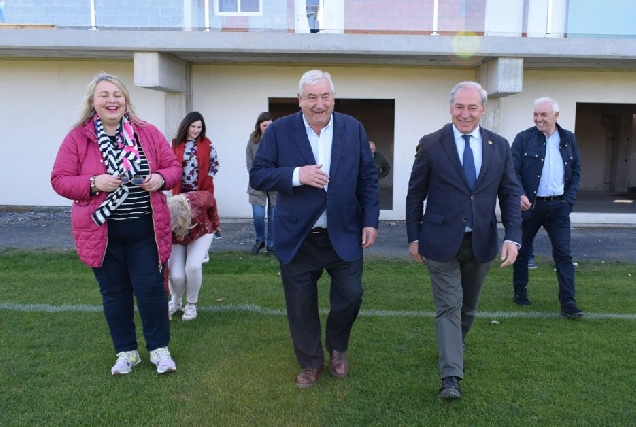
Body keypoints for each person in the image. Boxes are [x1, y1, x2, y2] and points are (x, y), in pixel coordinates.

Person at [250, 69, 380, 389]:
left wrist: (370, 221)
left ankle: (336, 346)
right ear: (300, 100)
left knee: (351, 295)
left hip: (344, 232)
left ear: (333, 98)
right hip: (298, 235)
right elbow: (259, 176)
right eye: (311, 97)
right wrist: (297, 175)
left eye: (325, 96)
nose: (318, 104)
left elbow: (367, 178)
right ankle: (310, 361)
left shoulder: (353, 128)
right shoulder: (280, 130)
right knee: (300, 304)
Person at [51, 72, 182, 375]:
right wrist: (94, 182)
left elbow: (173, 167)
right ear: (92, 102)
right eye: (104, 95)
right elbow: (60, 180)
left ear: (126, 100)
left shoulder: (146, 133)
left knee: (150, 290)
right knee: (115, 294)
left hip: (144, 231)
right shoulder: (78, 137)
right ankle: (127, 352)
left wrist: (160, 178)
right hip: (101, 234)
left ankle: (159, 349)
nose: (112, 100)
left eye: (117, 94)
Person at [406, 81, 521, 400]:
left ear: (483, 109)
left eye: (472, 107)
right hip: (440, 241)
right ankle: (451, 377)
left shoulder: (499, 145)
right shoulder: (431, 144)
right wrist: (413, 236)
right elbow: (416, 192)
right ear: (450, 107)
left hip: (481, 242)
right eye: (460, 106)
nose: (465, 113)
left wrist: (513, 235)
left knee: (467, 308)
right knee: (449, 306)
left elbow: (510, 192)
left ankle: (454, 345)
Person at [511, 97, 583, 319]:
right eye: (536, 114)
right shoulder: (524, 138)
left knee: (563, 254)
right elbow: (513, 171)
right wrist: (521, 194)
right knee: (522, 251)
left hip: (559, 206)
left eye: (543, 114)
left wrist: (568, 201)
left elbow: (577, 170)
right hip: (530, 206)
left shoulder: (568, 139)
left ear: (556, 116)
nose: (538, 119)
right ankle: (520, 291)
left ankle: (568, 303)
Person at [167, 191, 220, 321]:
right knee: (176, 275)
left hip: (201, 234)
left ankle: (191, 305)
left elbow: (211, 201)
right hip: (175, 240)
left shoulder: (199, 200)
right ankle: (175, 301)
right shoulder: (162, 214)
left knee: (193, 267)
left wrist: (215, 223)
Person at [246, 112, 276, 254]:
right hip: (257, 181)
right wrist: (255, 176)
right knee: (258, 214)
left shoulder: (278, 138)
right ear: (259, 126)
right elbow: (249, 161)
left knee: (274, 216)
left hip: (274, 181)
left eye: (270, 125)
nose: (267, 128)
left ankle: (271, 244)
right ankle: (260, 240)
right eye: (264, 126)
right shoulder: (253, 140)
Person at [172, 111, 219, 195]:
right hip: (180, 191)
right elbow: (169, 164)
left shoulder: (207, 143)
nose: (196, 130)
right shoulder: (175, 143)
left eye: (199, 127)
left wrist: (208, 178)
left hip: (202, 190)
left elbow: (215, 164)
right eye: (193, 126)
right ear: (186, 126)